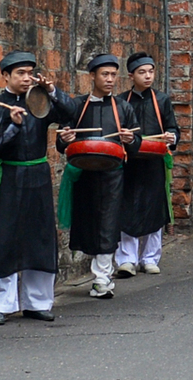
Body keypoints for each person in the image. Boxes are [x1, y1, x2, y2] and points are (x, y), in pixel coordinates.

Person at [0, 53, 60, 326]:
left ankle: (37, 302)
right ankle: (0, 304)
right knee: (6, 239)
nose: (27, 78)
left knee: (40, 238)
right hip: (10, 176)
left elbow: (70, 112)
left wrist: (51, 91)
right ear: (5, 76)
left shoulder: (40, 100)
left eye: (30, 72)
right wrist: (13, 126)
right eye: (20, 73)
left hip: (38, 175)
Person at [54, 54, 139, 299]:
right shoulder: (77, 106)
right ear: (92, 76)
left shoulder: (123, 107)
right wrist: (65, 139)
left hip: (112, 175)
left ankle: (102, 278)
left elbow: (135, 142)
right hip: (83, 173)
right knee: (87, 223)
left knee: (108, 223)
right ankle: (98, 272)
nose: (110, 79)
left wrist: (131, 140)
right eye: (105, 74)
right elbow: (62, 142)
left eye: (113, 74)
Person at [117, 51, 178, 277]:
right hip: (129, 162)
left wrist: (172, 137)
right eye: (142, 72)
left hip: (154, 161)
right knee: (127, 208)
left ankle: (150, 257)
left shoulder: (161, 100)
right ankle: (127, 259)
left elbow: (172, 128)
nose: (147, 76)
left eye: (151, 71)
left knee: (154, 207)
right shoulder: (121, 101)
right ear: (131, 75)